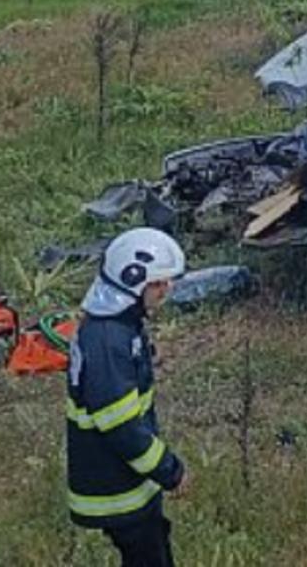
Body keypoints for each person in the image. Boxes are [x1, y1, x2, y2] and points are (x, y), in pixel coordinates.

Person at [66, 228, 190, 567]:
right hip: (117, 489)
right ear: (132, 282)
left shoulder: (119, 326)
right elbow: (120, 425)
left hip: (129, 481)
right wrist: (170, 470)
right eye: (158, 283)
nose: (167, 289)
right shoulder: (108, 340)